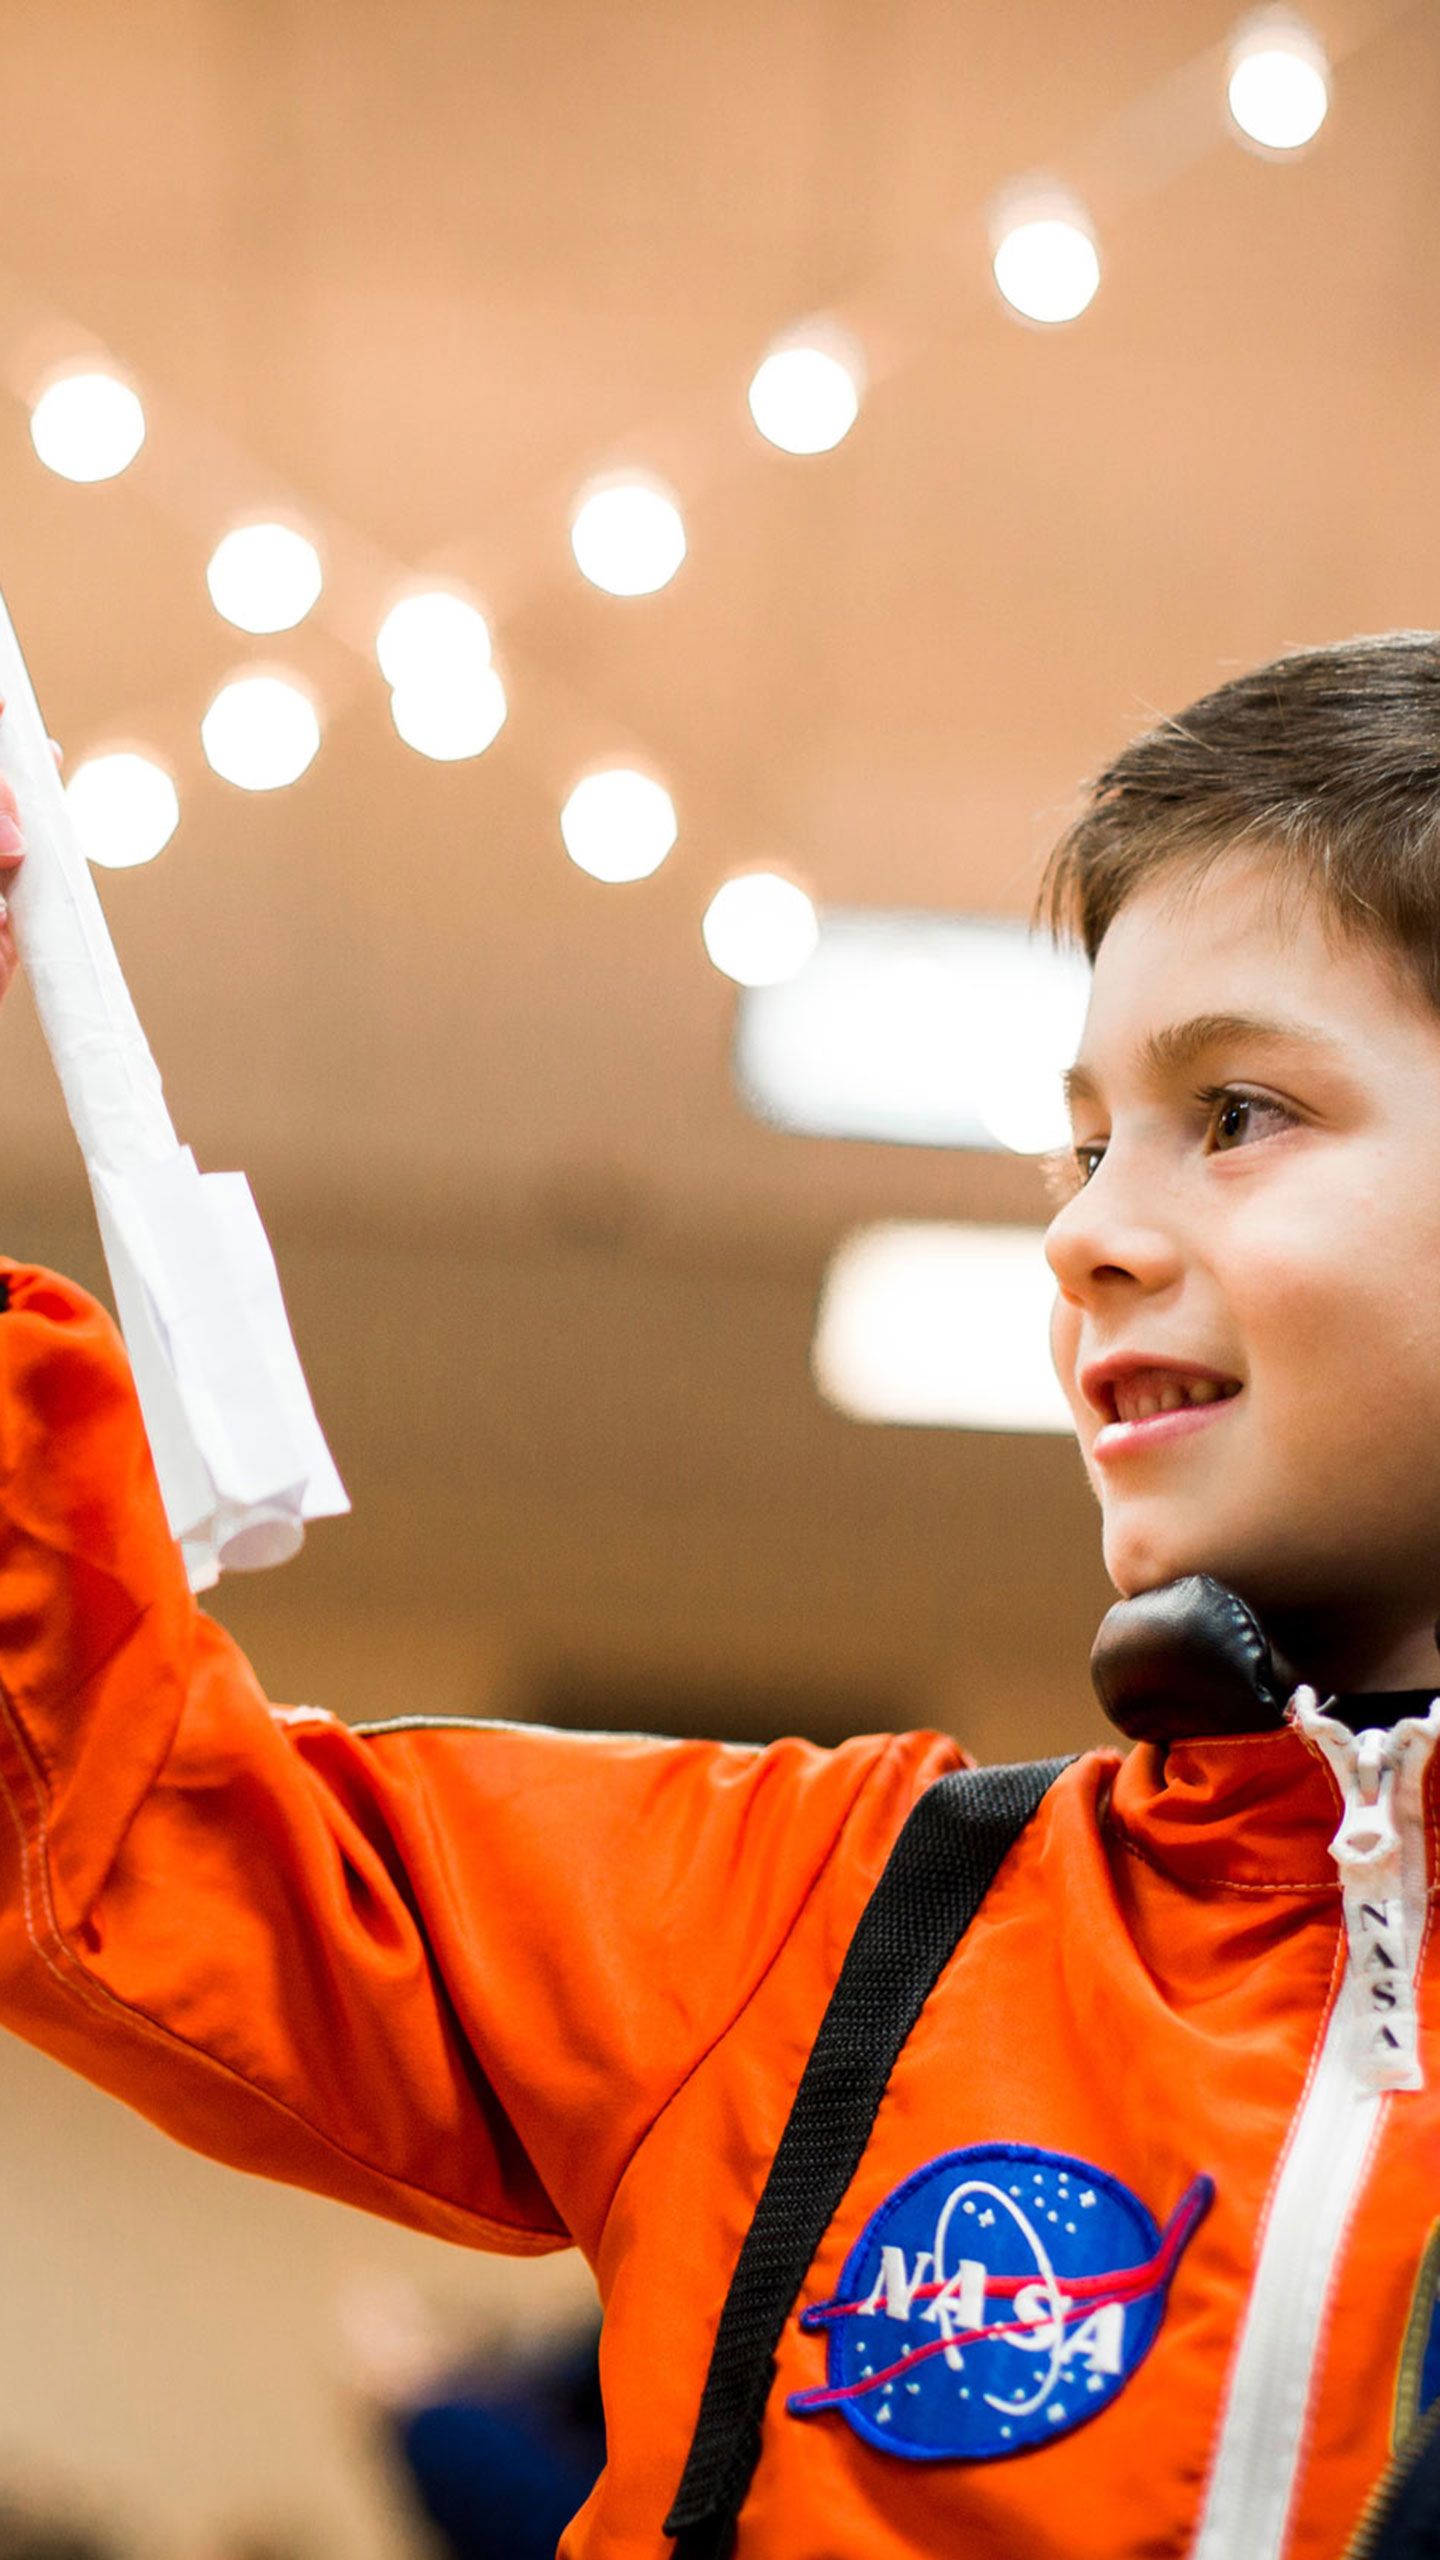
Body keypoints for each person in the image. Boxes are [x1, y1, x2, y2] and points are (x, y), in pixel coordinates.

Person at [0, 632, 1438, 2557]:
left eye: (1238, 1115)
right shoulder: (825, 1929)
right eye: (1083, 1144)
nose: (1089, 1227)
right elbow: (118, 1826)